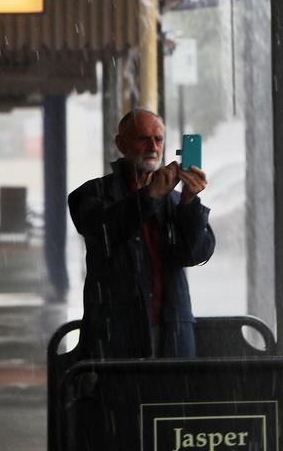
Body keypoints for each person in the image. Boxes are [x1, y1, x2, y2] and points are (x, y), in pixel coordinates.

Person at [68, 108, 215, 359]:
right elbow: (104, 231)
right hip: (116, 335)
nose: (153, 146)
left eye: (158, 139)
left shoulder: (175, 201)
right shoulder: (92, 194)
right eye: (142, 138)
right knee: (118, 397)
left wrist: (190, 204)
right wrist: (149, 197)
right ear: (121, 144)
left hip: (172, 332)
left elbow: (195, 253)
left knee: (169, 398)